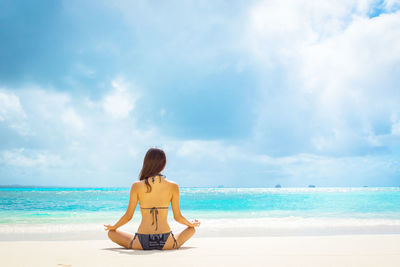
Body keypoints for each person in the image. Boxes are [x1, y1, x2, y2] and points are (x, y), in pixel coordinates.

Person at [104, 148, 200, 250]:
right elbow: (178, 217)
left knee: (111, 233)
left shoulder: (136, 186)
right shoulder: (173, 186)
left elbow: (128, 216)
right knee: (191, 229)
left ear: (146, 163)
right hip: (167, 241)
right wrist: (190, 224)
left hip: (141, 241)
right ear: (163, 164)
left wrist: (114, 227)